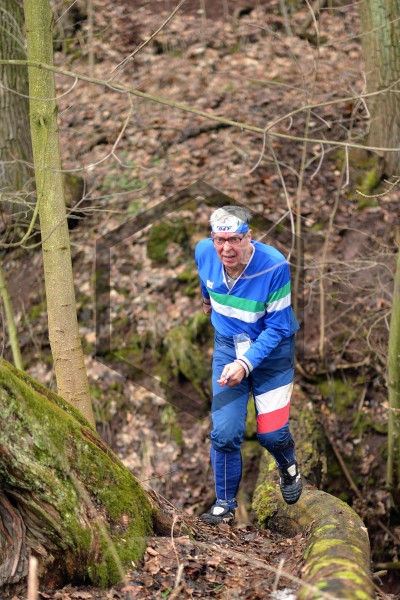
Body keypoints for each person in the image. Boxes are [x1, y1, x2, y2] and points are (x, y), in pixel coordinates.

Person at [195, 205, 302, 525]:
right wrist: (206, 300)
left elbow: (279, 327)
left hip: (273, 353)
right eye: (220, 240)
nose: (226, 248)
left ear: (249, 237)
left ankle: (288, 467)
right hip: (228, 347)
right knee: (225, 431)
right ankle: (225, 504)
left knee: (271, 434)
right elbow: (205, 278)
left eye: (235, 239)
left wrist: (246, 363)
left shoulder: (274, 266)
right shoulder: (204, 251)